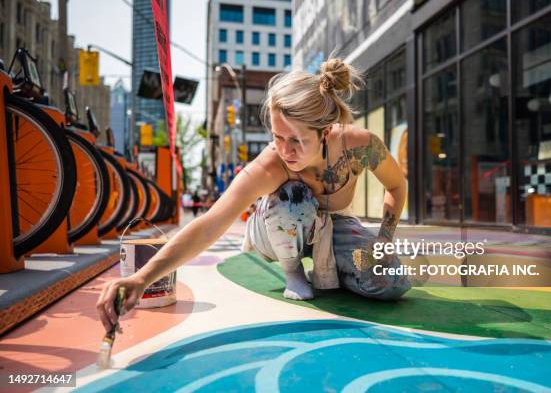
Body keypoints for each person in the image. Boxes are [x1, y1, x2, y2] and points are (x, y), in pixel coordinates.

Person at [97, 57, 410, 332]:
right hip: (274, 229)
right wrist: (141, 278)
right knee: (293, 196)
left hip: (330, 227)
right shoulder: (271, 164)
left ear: (326, 132)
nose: (284, 150)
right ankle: (294, 273)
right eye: (277, 137)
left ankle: (329, 270)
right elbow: (210, 223)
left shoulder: (360, 146)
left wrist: (383, 239)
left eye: (296, 141)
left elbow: (397, 185)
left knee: (390, 283)